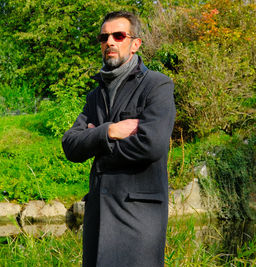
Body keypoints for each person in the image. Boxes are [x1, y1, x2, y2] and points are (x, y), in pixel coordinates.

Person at [62, 11, 176, 267]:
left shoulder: (157, 86)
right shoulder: (94, 96)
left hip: (138, 218)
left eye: (118, 35)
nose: (110, 42)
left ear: (135, 44)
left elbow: (151, 145)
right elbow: (70, 146)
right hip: (98, 219)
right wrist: (109, 131)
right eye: (104, 37)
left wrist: (93, 141)